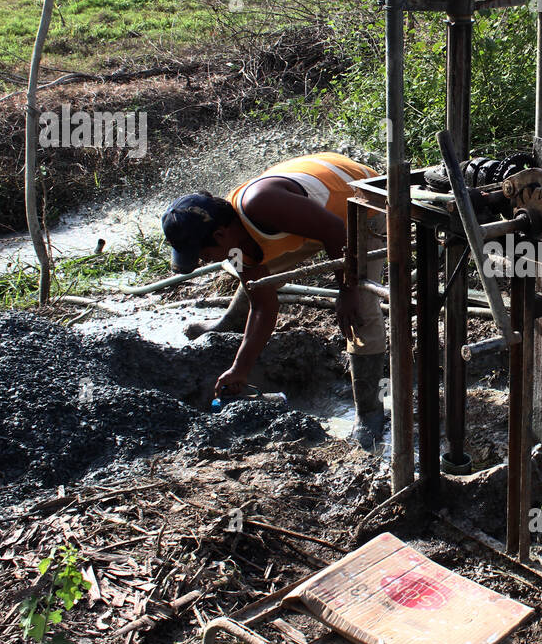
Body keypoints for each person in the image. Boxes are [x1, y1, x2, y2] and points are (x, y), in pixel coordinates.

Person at [161, 152, 388, 447]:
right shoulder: (234, 241)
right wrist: (239, 369)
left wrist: (347, 291)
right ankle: (230, 321)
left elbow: (336, 232)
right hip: (316, 218)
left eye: (204, 255)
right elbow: (263, 305)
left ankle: (370, 412)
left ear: (219, 234)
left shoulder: (263, 205)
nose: (207, 260)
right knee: (252, 274)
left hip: (362, 200)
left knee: (361, 308)